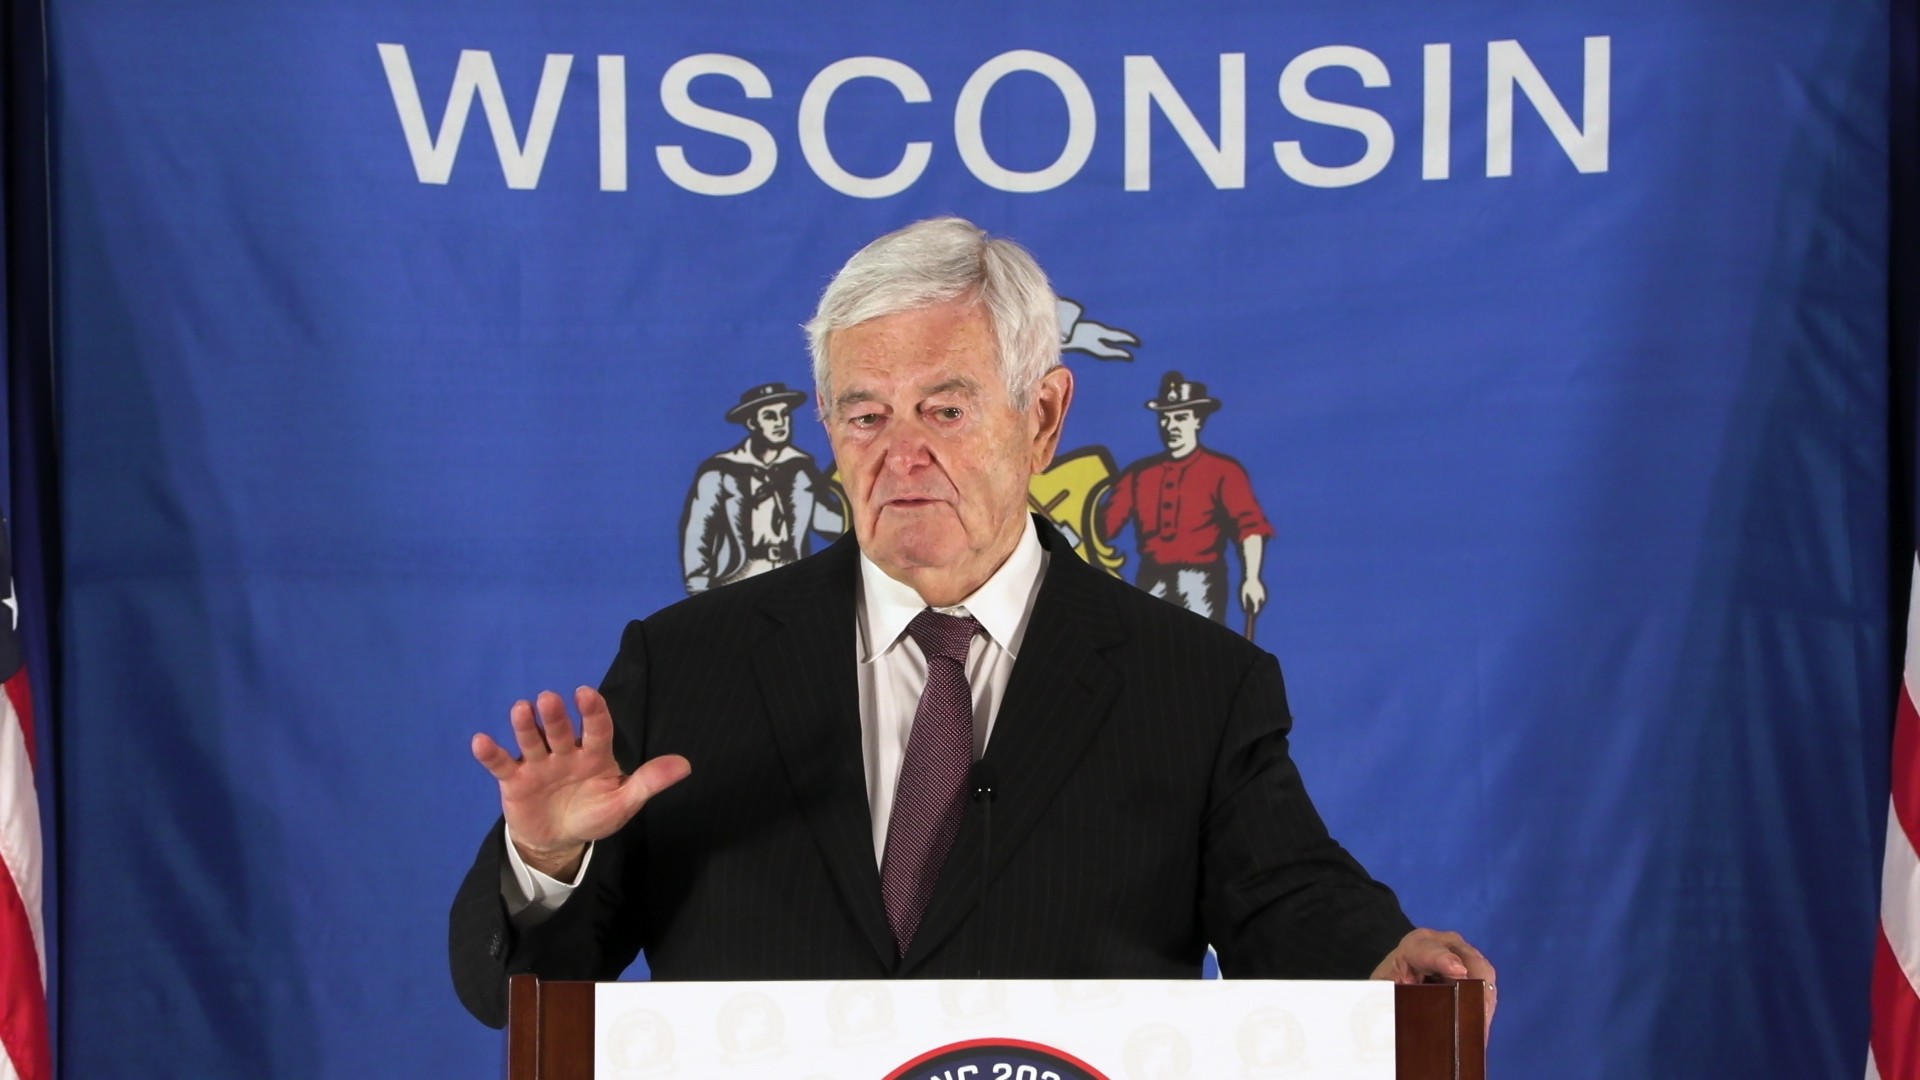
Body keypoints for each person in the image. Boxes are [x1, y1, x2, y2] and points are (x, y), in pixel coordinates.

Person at [449, 217, 1496, 1029]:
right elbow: (522, 994)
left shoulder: (1194, 683)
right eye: (865, 413)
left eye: (945, 410)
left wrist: (1382, 958)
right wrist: (542, 861)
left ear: (1043, 418)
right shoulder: (686, 668)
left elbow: (1284, 897)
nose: (901, 452)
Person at [1101, 371, 1272, 625]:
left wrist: (1252, 578)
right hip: (1150, 580)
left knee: (1200, 656)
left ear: (1198, 421)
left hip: (1202, 582)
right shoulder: (1138, 474)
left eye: (1180, 418)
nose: (1171, 427)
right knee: (1149, 654)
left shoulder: (1224, 471)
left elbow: (1249, 528)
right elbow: (1104, 528)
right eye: (1165, 419)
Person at [679, 382, 844, 593]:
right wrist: (699, 595)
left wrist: (849, 485)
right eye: (770, 416)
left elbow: (828, 523)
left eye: (784, 414)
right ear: (752, 423)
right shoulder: (719, 472)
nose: (780, 423)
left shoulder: (800, 471)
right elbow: (699, 534)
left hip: (792, 581)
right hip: (737, 581)